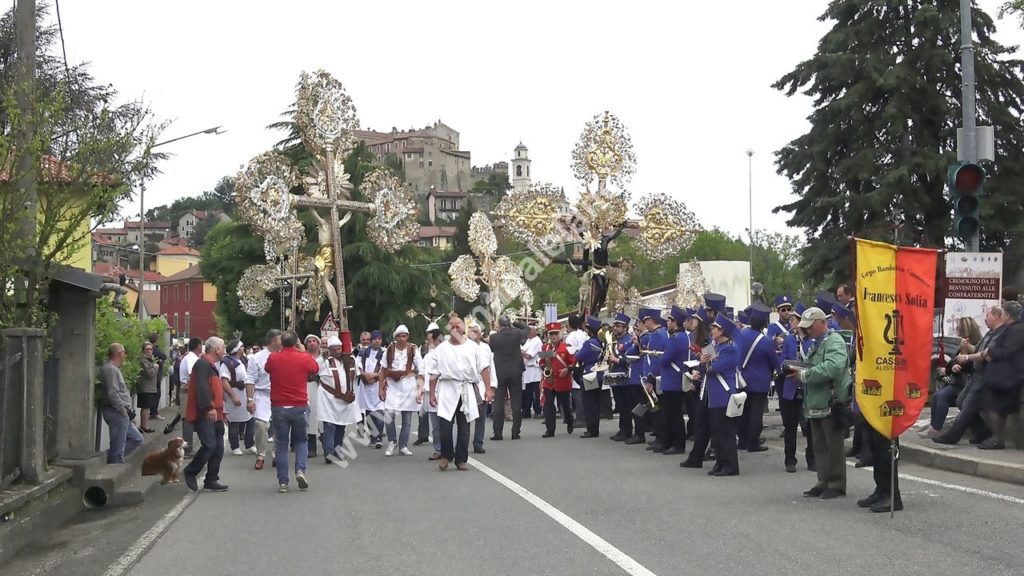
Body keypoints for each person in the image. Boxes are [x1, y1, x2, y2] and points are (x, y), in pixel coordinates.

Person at [789, 307, 851, 500]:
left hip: (831, 401)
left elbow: (833, 366)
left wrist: (805, 374)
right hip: (816, 401)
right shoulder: (818, 342)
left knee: (833, 445)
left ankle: (836, 483)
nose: (807, 330)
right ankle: (822, 480)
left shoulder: (834, 341)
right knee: (819, 445)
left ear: (821, 323)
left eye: (810, 326)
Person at [428, 315, 493, 471]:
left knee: (464, 427)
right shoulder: (441, 349)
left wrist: (489, 389)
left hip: (466, 389)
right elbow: (434, 373)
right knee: (445, 426)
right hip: (447, 389)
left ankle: (461, 459)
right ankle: (446, 456)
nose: (455, 329)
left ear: (464, 328)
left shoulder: (472, 347)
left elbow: (484, 368)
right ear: (448, 329)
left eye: (458, 326)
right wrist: (431, 393)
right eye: (452, 327)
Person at [934, 307, 1005, 446]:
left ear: (996, 316)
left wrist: (966, 355)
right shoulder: (990, 333)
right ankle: (982, 432)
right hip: (975, 374)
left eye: (988, 315)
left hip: (985, 374)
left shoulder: (999, 334)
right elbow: (978, 349)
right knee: (961, 402)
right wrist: (966, 347)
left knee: (968, 404)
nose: (985, 319)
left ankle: (952, 436)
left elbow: (985, 354)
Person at [264, 331, 320, 493]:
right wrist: (302, 351)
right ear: (296, 342)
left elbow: (267, 368)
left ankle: (283, 482)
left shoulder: (274, 358)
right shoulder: (303, 357)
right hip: (299, 404)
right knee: (301, 441)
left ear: (281, 343)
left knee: (281, 444)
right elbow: (315, 368)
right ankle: (300, 470)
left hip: (279, 406)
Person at [921, 317, 982, 438]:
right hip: (957, 381)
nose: (956, 328)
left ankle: (936, 429)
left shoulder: (975, 345)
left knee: (942, 396)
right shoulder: (962, 343)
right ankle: (934, 427)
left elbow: (969, 364)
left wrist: (963, 354)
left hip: (965, 383)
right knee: (938, 395)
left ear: (965, 328)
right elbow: (954, 361)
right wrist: (952, 367)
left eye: (958, 326)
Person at [183, 337, 229, 492]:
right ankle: (191, 471)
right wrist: (209, 407)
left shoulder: (210, 365)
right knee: (209, 445)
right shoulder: (203, 364)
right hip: (206, 413)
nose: (224, 351)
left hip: (216, 412)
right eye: (223, 348)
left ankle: (211, 478)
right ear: (216, 349)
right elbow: (201, 387)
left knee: (218, 448)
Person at [978, 300, 1024, 450]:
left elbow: (1007, 351)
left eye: (1003, 313)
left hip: (1007, 375)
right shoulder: (1011, 329)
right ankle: (996, 437)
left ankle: (997, 438)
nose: (1001, 316)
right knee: (998, 407)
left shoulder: (1016, 330)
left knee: (992, 406)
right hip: (1004, 374)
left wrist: (990, 352)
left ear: (1008, 315)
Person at [735, 303, 781, 453]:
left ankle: (742, 440)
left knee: (743, 411)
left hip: (742, 379)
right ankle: (753, 441)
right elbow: (774, 361)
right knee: (756, 413)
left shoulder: (741, 335)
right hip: (760, 381)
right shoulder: (766, 341)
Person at [702, 313, 741, 477]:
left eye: (715, 328)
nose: (712, 330)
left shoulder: (730, 348)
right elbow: (704, 367)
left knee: (726, 433)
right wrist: (700, 365)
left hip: (724, 394)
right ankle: (720, 462)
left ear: (722, 330)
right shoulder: (715, 347)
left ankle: (730, 465)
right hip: (714, 396)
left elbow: (715, 369)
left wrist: (705, 363)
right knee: (717, 432)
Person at [779, 303, 814, 473]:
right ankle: (790, 459)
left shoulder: (811, 341)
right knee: (790, 426)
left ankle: (812, 459)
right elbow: (782, 360)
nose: (790, 321)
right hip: (791, 387)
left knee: (809, 427)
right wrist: (786, 367)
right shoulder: (789, 340)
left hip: (807, 388)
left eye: (793, 319)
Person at [381, 325, 423, 457]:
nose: (401, 338)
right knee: (389, 416)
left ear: (407, 336)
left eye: (404, 336)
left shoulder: (414, 350)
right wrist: (380, 389)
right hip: (392, 385)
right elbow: (382, 370)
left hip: (408, 385)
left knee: (407, 419)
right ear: (395, 337)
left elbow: (421, 371)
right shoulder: (388, 350)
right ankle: (392, 442)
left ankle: (403, 445)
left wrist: (420, 390)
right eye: (399, 336)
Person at [317, 336, 361, 463]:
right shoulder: (322, 360)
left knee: (341, 426)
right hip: (328, 399)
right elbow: (313, 373)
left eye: (339, 348)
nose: (337, 351)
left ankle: (337, 450)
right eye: (334, 349)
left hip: (344, 399)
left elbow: (356, 376)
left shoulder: (350, 360)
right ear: (329, 349)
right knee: (329, 425)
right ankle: (329, 452)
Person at [100, 343, 144, 464]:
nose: (125, 355)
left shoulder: (113, 369)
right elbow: (112, 393)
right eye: (124, 353)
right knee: (118, 445)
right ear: (120, 354)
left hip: (122, 413)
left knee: (137, 439)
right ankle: (114, 462)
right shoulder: (110, 369)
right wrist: (123, 410)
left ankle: (111, 457)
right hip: (117, 412)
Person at [244, 329, 282, 470]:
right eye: (280, 339)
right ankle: (261, 455)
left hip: (280, 394)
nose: (282, 342)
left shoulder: (284, 355)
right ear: (273, 341)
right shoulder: (256, 358)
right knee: (261, 424)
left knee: (280, 425)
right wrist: (250, 399)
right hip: (262, 394)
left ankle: (277, 454)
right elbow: (250, 379)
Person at [489, 315, 528, 440]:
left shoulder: (494, 337)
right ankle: (515, 432)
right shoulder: (516, 333)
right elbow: (527, 328)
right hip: (516, 371)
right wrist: (516, 322)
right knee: (516, 402)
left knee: (498, 403)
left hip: (500, 371)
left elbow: (492, 349)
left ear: (499, 325)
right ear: (509, 323)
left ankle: (498, 432)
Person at [658, 306, 690, 455]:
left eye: (669, 320)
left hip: (672, 380)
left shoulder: (675, 339)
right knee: (674, 413)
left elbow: (665, 359)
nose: (667, 323)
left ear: (674, 322)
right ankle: (672, 442)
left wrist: (660, 357)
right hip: (678, 379)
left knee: (673, 415)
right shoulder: (685, 337)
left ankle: (676, 444)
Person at [541, 322, 576, 438]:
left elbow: (574, 363)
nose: (553, 336)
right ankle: (550, 430)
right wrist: (545, 368)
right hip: (549, 382)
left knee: (565, 406)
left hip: (562, 382)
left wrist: (568, 370)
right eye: (551, 334)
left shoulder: (566, 348)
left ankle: (570, 420)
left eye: (555, 334)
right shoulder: (545, 348)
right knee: (549, 406)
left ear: (560, 334)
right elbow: (541, 362)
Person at [417, 323, 446, 460]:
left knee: (447, 424)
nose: (427, 342)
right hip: (431, 393)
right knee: (435, 427)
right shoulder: (428, 356)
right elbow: (422, 374)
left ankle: (449, 449)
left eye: (429, 339)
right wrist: (420, 390)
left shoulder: (446, 353)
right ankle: (438, 449)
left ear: (436, 340)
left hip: (445, 393)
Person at [466, 321, 495, 454]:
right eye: (471, 331)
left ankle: (478, 442)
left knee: (481, 417)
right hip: (468, 385)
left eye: (476, 331)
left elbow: (490, 367)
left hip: (482, 385)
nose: (474, 333)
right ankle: (463, 442)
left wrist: (491, 387)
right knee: (465, 417)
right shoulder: (464, 347)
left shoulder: (485, 348)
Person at [222, 340, 254, 456]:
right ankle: (235, 446)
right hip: (234, 392)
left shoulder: (243, 360)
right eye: (241, 347)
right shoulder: (227, 362)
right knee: (234, 421)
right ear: (236, 349)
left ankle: (249, 443)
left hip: (245, 393)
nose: (243, 348)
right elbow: (224, 381)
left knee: (251, 418)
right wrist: (233, 396)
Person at [607, 313, 636, 442]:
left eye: (618, 326)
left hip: (625, 375)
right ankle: (622, 429)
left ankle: (627, 430)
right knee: (619, 404)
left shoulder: (630, 340)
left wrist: (616, 360)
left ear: (625, 327)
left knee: (626, 406)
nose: (615, 328)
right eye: (615, 325)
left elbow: (631, 359)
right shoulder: (615, 340)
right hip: (615, 374)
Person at [576, 315, 606, 438]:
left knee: (589, 402)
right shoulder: (599, 342)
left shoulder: (590, 343)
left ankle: (591, 429)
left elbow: (579, 356)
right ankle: (595, 428)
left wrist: (578, 352)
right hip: (597, 373)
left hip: (589, 373)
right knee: (595, 401)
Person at [356, 330, 387, 449]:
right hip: (366, 386)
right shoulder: (363, 353)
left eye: (379, 339)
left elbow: (385, 368)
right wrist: (364, 374)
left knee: (379, 411)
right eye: (375, 339)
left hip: (378, 385)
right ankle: (373, 437)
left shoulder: (384, 353)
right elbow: (357, 365)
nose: (377, 340)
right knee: (369, 411)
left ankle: (378, 437)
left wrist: (374, 375)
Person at [178, 337, 203, 454]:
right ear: (198, 346)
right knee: (188, 419)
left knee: (190, 418)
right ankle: (188, 448)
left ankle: (189, 446)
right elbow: (193, 373)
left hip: (189, 390)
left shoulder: (191, 357)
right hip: (188, 390)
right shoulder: (192, 358)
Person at [564, 314, 588, 427]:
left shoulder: (570, 337)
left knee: (577, 393)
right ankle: (586, 417)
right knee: (585, 392)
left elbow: (569, 353)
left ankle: (580, 418)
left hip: (575, 364)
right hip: (586, 364)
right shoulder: (584, 334)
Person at [521, 325, 543, 419]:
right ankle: (526, 411)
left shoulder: (537, 341)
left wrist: (521, 352)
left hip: (534, 369)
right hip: (527, 370)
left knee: (536, 391)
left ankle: (538, 410)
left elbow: (529, 355)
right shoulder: (528, 341)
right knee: (527, 392)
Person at [137, 343, 160, 433]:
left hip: (150, 387)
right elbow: (150, 373)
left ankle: (145, 426)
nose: (149, 351)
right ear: (143, 350)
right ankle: (144, 426)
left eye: (151, 349)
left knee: (146, 407)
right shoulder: (143, 360)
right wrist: (155, 367)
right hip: (145, 387)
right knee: (145, 407)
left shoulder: (149, 360)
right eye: (147, 349)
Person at [147, 333, 167, 421]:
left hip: (155, 372)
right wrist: (161, 361)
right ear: (156, 340)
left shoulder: (151, 348)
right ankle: (154, 413)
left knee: (155, 392)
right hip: (156, 373)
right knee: (156, 393)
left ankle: (153, 412)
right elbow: (163, 356)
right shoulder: (153, 348)